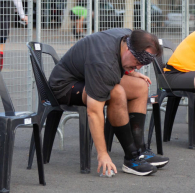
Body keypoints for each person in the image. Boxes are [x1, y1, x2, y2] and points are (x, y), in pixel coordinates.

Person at [49, 29, 169, 176]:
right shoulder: (103, 62)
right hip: (64, 86)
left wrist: (131, 71)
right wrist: (103, 154)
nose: (138, 67)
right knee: (116, 92)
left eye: (142, 64)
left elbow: (122, 63)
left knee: (140, 86)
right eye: (137, 62)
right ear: (128, 50)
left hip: (87, 74)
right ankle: (131, 158)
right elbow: (94, 112)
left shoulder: (128, 37)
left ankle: (140, 150)